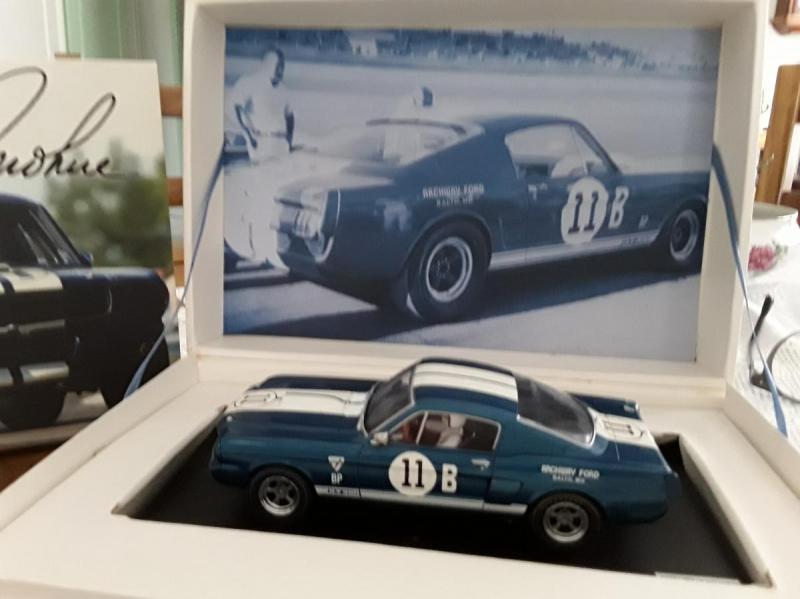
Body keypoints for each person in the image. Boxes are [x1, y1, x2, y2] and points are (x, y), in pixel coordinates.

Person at [229, 47, 295, 163]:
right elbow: (237, 110)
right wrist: (249, 137)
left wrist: (289, 140)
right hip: (259, 143)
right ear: (267, 66)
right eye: (277, 66)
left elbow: (290, 116)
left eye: (282, 66)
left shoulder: (283, 89)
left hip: (280, 144)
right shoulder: (249, 83)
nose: (281, 70)